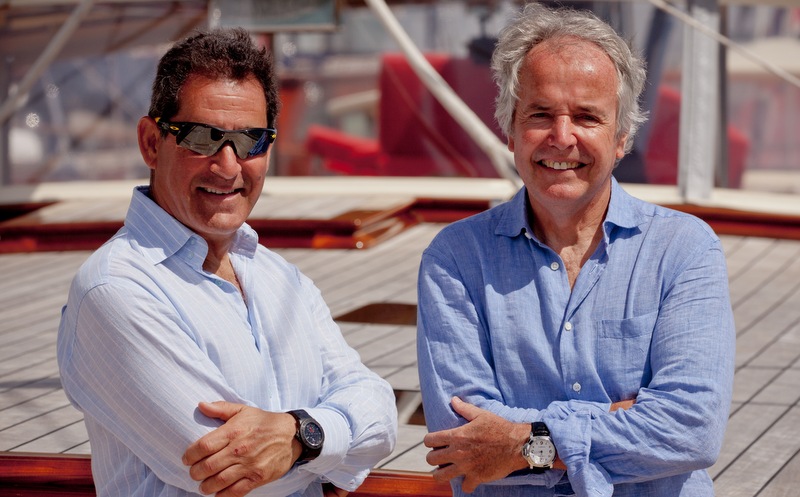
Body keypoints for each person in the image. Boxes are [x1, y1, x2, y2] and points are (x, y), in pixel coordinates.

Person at [57, 28, 397, 497]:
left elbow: (381, 411)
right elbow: (228, 470)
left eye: (251, 140)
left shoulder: (282, 278)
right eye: (202, 137)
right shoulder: (114, 290)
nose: (229, 165)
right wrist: (331, 444)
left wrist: (299, 436)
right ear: (151, 142)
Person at [416, 3, 735, 497]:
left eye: (587, 117)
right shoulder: (455, 258)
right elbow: (462, 437)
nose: (562, 138)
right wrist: (618, 418)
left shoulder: (684, 249)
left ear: (622, 137)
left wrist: (524, 443)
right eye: (541, 114)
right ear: (510, 130)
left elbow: (690, 429)